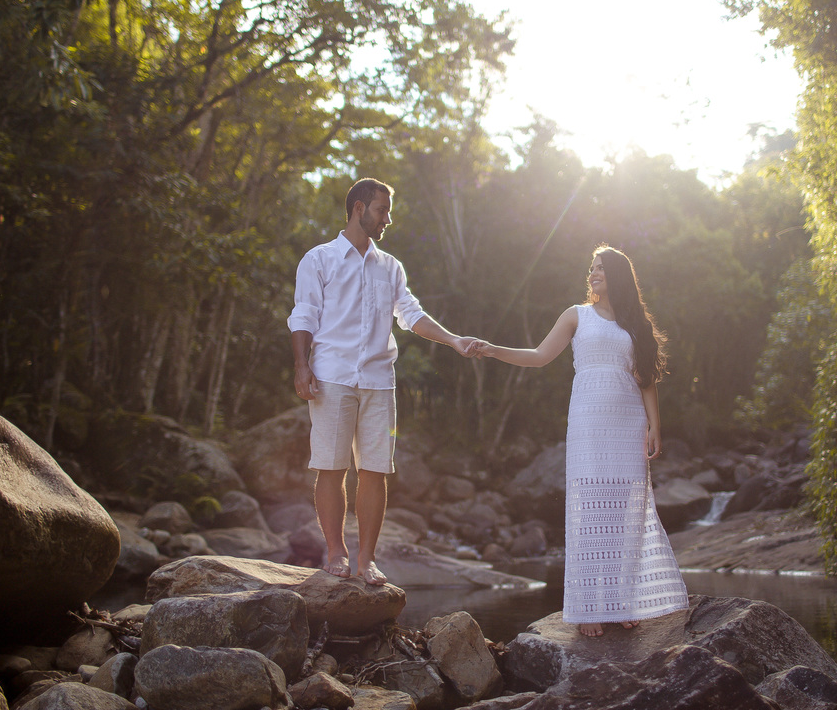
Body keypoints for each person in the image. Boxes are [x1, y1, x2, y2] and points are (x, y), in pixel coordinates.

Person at [470, 245, 689, 636]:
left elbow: (646, 380)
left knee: (624, 513)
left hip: (628, 423)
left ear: (618, 275)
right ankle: (589, 607)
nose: (593, 273)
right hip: (589, 422)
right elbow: (539, 355)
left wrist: (655, 426)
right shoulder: (576, 315)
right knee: (589, 510)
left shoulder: (635, 324)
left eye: (600, 268)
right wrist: (493, 350)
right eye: (591, 268)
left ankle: (621, 602)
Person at [288, 178, 478, 586]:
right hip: (332, 376)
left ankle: (367, 560)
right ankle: (336, 552)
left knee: (375, 470)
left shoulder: (390, 266)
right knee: (331, 467)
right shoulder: (318, 259)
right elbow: (304, 314)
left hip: (379, 380)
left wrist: (453, 340)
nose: (387, 219)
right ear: (359, 208)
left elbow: (411, 313)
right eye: (381, 210)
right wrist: (302, 366)